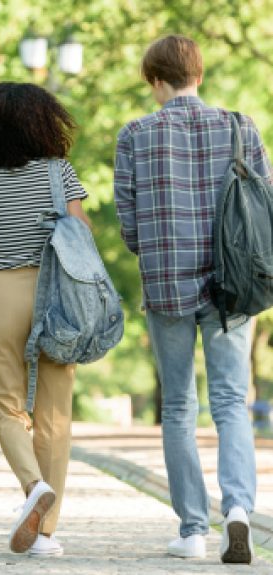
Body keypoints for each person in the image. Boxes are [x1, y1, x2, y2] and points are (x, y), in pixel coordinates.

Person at [114, 35, 272, 565]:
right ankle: (239, 511)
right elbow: (265, 203)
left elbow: (129, 224)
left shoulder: (135, 135)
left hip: (167, 284)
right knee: (231, 401)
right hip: (234, 286)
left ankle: (192, 530)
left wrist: (160, 246)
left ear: (156, 81)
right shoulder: (240, 126)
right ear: (198, 75)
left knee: (179, 405)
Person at [0, 82, 90, 557]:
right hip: (56, 294)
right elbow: (81, 231)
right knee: (54, 414)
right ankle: (44, 533)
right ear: (43, 121)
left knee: (7, 407)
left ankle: (33, 486)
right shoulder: (59, 172)